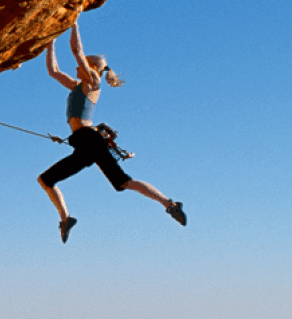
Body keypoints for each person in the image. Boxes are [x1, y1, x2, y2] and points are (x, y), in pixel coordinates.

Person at [37, 21, 187, 243]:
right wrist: (50, 41)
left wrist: (73, 21)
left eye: (83, 64)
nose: (79, 66)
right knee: (46, 180)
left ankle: (170, 204)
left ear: (91, 68)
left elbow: (77, 52)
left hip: (90, 139)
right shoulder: (77, 85)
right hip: (82, 143)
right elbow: (53, 71)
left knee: (123, 182)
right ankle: (66, 218)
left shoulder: (93, 82)